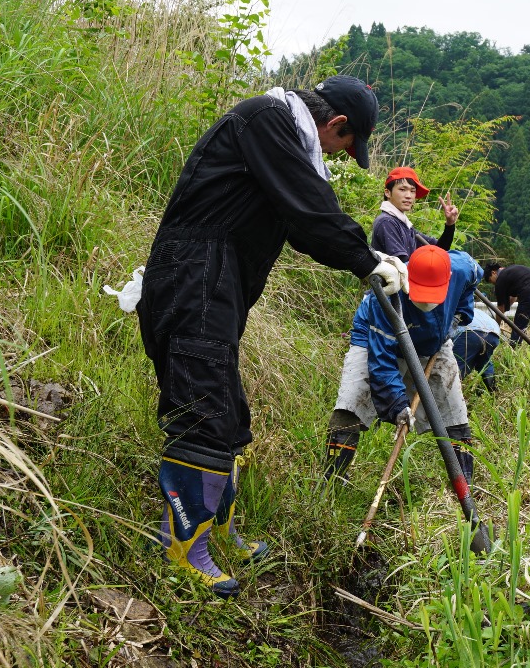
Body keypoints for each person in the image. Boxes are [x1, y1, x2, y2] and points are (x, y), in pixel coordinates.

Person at [135, 75, 409, 599]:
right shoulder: (267, 120)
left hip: (216, 281)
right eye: (346, 146)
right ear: (336, 124)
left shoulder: (286, 139)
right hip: (194, 275)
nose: (341, 155)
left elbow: (306, 223)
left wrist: (368, 258)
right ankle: (181, 545)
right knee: (203, 407)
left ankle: (219, 529)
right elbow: (309, 206)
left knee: (229, 413)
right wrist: (363, 255)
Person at [323, 245, 483, 485]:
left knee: (454, 410)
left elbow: (473, 280)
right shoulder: (386, 296)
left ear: (448, 279)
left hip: (434, 344)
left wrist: (460, 315)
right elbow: (382, 361)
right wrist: (398, 404)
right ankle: (331, 482)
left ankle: (464, 486)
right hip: (375, 340)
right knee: (352, 403)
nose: (427, 301)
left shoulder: (461, 268)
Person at [371, 166, 460, 262]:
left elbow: (439, 250)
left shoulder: (404, 224)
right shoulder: (386, 222)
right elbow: (403, 264)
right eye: (402, 189)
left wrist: (450, 224)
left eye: (412, 191)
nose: (409, 196)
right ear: (388, 193)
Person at [482, 263, 530, 347]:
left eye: (490, 280)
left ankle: (514, 348)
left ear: (493, 272)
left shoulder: (500, 280)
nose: (493, 283)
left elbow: (500, 308)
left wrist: (496, 325)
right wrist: (506, 308)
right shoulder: (511, 270)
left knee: (518, 326)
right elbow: (513, 298)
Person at [452, 308, 502, 392]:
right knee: (484, 363)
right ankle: (493, 392)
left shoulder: (453, 309)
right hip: (493, 333)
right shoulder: (469, 308)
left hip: (470, 332)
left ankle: (450, 396)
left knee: (454, 368)